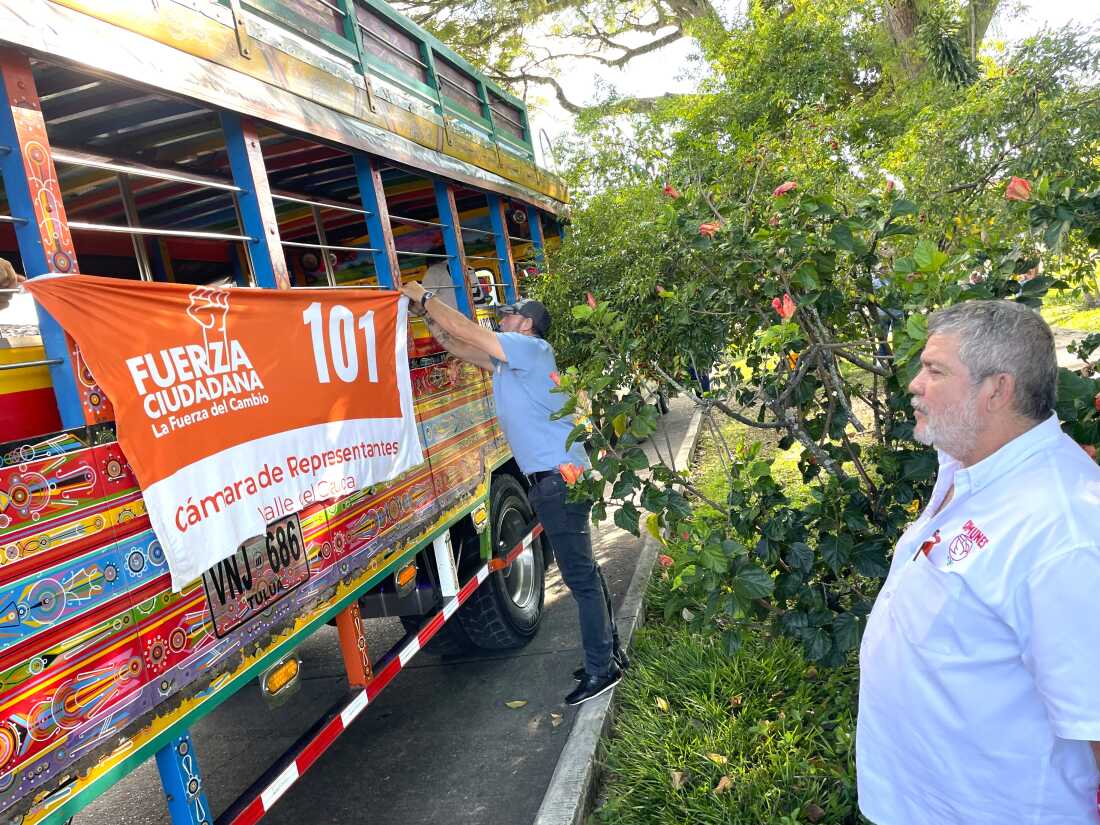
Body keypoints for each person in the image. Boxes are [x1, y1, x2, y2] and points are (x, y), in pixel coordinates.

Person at [857, 300, 1100, 825]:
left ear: (997, 390)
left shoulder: (1066, 531)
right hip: (920, 799)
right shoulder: (968, 463)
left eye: (935, 370)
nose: (914, 384)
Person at [399, 278, 628, 705]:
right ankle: (609, 652)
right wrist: (428, 320)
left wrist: (426, 296)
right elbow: (460, 346)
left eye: (508, 313)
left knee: (580, 578)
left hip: (558, 481)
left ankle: (603, 669)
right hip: (558, 479)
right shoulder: (512, 362)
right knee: (586, 572)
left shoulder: (530, 349)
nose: (501, 317)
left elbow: (471, 333)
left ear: (526, 325)